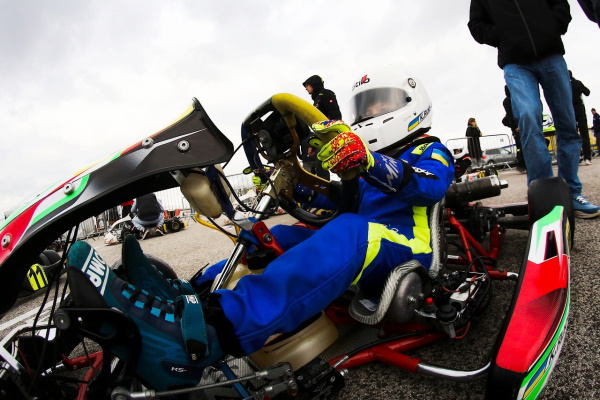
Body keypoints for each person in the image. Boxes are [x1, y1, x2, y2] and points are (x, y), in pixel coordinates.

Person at [66, 67, 455, 391]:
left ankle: (212, 332)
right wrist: (294, 186)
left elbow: (430, 185)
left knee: (350, 231)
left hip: (409, 246)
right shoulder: (363, 165)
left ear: (413, 106)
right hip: (370, 243)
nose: (372, 113)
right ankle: (183, 300)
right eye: (366, 106)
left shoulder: (429, 149)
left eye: (381, 105)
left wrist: (369, 161)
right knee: (274, 235)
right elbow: (342, 203)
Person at [468, 0, 600, 219]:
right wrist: (503, 34)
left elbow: (560, 4)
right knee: (529, 118)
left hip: (551, 55)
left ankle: (571, 192)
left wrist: (552, 25)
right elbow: (476, 24)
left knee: (567, 123)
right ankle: (544, 197)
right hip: (515, 63)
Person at [301, 75, 342, 181]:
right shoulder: (316, 100)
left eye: (307, 85)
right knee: (321, 164)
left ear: (314, 84)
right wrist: (313, 145)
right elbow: (318, 125)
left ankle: (353, 183)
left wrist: (335, 133)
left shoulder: (326, 94)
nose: (306, 88)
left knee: (336, 163)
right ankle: (327, 187)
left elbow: (335, 115)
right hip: (323, 136)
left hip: (332, 135)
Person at [501, 86, 526, 173]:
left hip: (522, 125)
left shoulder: (516, 99)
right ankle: (521, 165)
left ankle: (523, 164)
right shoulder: (508, 101)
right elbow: (510, 115)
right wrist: (515, 127)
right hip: (517, 128)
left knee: (522, 146)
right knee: (522, 145)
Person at [570, 71, 592, 165]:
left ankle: (578, 155)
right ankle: (587, 157)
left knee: (573, 134)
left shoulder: (565, 85)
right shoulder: (578, 83)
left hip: (570, 109)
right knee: (584, 134)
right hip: (580, 109)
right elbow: (587, 92)